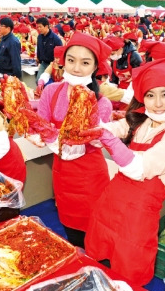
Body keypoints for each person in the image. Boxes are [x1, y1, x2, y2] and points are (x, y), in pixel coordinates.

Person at [84, 58, 165, 286]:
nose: (157, 103)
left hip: (138, 213)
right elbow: (114, 128)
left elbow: (140, 168)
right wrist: (92, 130)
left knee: (128, 269)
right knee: (99, 259)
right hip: (110, 201)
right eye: (150, 95)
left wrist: (109, 140)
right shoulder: (143, 120)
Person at [35, 32, 113, 248]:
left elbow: (81, 146)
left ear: (95, 67)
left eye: (85, 62)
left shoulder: (102, 104)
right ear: (63, 62)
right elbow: (41, 126)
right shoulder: (51, 91)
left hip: (90, 177)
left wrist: (51, 136)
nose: (76, 68)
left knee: (94, 234)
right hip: (62, 174)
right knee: (71, 230)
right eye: (71, 60)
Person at [35, 16, 62, 82]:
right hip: (43, 63)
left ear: (46, 26)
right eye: (38, 27)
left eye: (40, 27)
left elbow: (60, 53)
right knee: (38, 80)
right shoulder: (39, 37)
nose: (39, 29)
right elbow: (39, 49)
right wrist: (38, 59)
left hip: (52, 64)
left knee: (50, 82)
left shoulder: (55, 39)